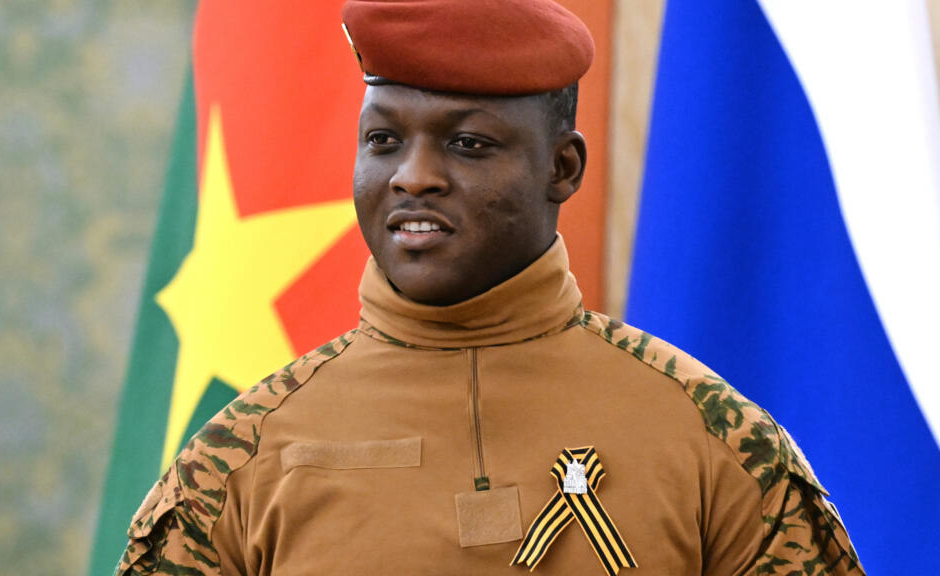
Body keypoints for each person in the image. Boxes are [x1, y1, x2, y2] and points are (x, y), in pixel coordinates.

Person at [116, 0, 864, 574]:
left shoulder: (715, 442)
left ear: (562, 168)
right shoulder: (238, 461)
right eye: (383, 141)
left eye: (467, 144)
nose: (413, 176)